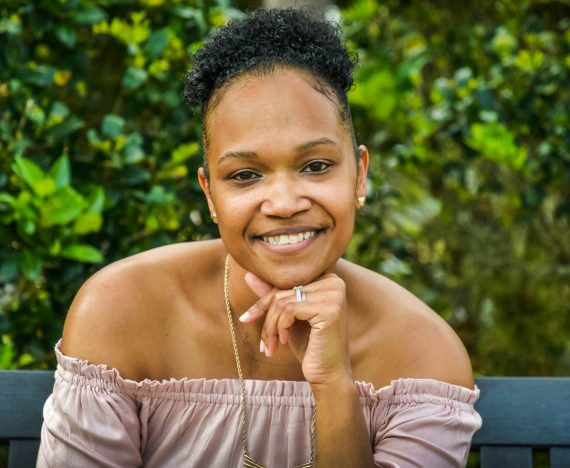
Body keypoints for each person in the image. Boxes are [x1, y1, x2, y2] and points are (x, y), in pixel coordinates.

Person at [38, 8, 482, 468]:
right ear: (210, 194)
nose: (284, 202)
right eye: (245, 175)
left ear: (360, 175)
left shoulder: (422, 352)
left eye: (316, 166)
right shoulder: (121, 310)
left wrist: (333, 384)